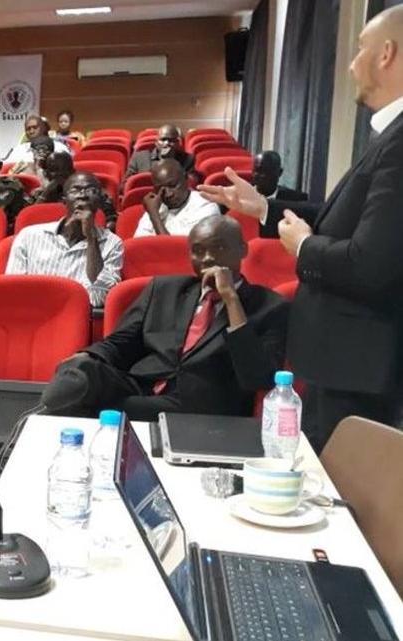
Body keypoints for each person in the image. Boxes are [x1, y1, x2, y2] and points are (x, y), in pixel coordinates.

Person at [197, 5, 403, 449]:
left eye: (360, 49)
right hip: (345, 364)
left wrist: (305, 247)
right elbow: (344, 218)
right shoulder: (390, 137)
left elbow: (371, 263)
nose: (351, 65)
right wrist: (264, 209)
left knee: (343, 486)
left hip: (357, 369)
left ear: (387, 53)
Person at [41, 216, 288, 421]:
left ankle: (39, 421)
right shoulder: (163, 289)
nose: (207, 258)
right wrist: (85, 357)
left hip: (203, 408)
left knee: (86, 406)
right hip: (141, 387)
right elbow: (120, 343)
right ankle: (43, 415)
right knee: (80, 369)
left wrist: (231, 300)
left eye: (219, 248)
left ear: (243, 249)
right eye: (198, 251)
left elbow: (258, 377)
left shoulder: (269, 306)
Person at [6, 172, 124, 308]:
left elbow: (98, 298)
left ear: (99, 200)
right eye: (75, 190)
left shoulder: (112, 243)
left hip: (78, 316)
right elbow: (13, 290)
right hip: (33, 314)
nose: (83, 195)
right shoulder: (29, 236)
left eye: (91, 190)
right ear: (64, 200)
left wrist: (91, 238)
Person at [22, 153, 119, 229]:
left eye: (63, 170)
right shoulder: (39, 194)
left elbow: (111, 221)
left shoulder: (92, 192)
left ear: (72, 171)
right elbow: (28, 220)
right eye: (54, 170)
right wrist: (46, 194)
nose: (59, 174)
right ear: (47, 174)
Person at [134, 159, 220, 237]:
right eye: (160, 189)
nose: (168, 194)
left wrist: (155, 217)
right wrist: (153, 212)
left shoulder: (206, 206)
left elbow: (175, 248)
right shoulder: (155, 207)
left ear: (186, 178)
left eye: (172, 186)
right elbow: (138, 245)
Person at [249, 151, 308, 238]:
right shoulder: (239, 197)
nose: (262, 175)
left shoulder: (297, 200)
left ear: (280, 172)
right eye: (258, 170)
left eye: (268, 171)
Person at [125, 124, 197, 181]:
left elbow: (192, 182)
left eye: (171, 140)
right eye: (163, 139)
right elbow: (126, 184)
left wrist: (169, 161)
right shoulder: (139, 157)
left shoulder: (187, 159)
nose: (166, 143)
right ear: (156, 142)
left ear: (178, 143)